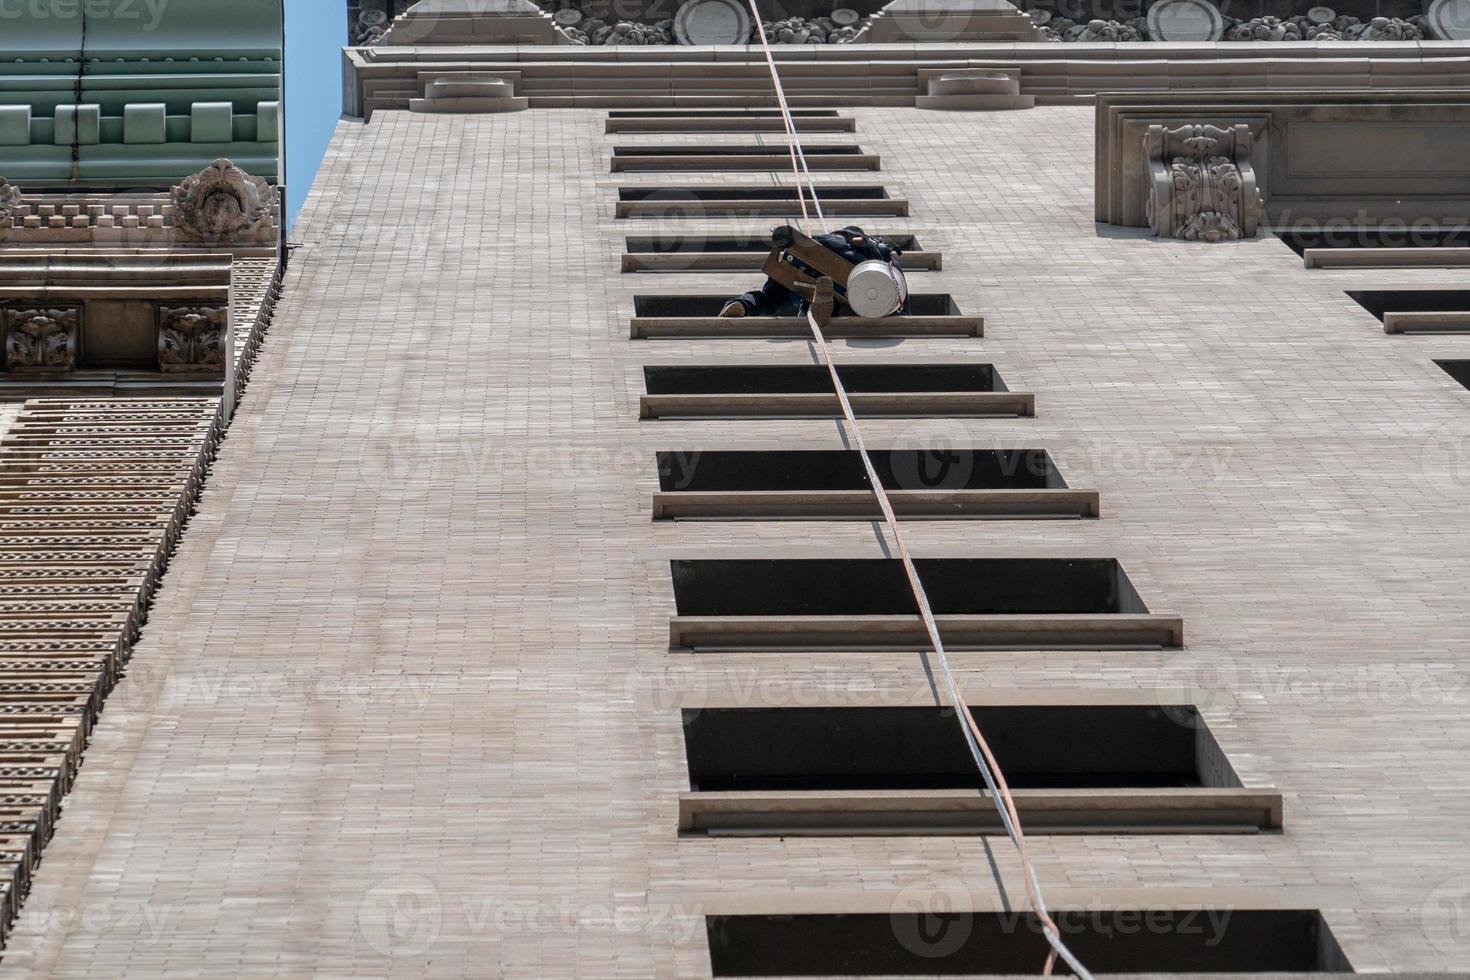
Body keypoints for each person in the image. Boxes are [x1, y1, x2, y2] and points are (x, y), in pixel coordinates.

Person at [718, 225, 905, 318]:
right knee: (836, 306)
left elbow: (798, 244)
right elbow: (901, 301)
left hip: (805, 269)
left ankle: (743, 305)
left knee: (769, 299)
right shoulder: (881, 252)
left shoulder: (830, 240)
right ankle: (817, 307)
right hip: (863, 286)